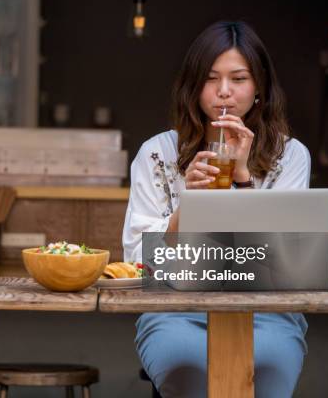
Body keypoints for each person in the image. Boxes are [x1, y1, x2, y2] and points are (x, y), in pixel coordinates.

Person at [122, 21, 311, 397]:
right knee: (189, 374)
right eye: (211, 79)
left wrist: (242, 179)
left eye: (238, 78)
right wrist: (187, 208)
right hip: (175, 309)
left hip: (268, 313)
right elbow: (135, 261)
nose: (224, 92)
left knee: (267, 379)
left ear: (259, 87)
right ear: (193, 88)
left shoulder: (290, 155)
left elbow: (287, 263)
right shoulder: (156, 153)